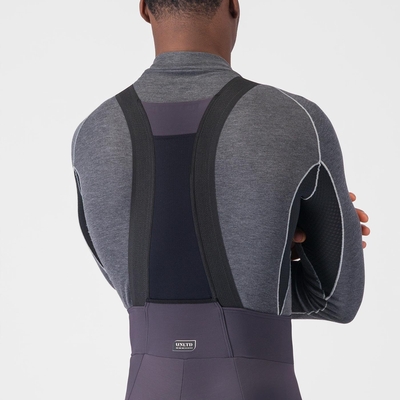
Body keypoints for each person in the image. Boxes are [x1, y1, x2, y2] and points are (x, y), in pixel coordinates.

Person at [71, 1, 369, 398]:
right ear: (233, 5)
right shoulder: (296, 119)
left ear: (143, 8)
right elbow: (336, 300)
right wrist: (276, 256)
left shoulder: (91, 135)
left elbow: (130, 283)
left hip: (148, 385)